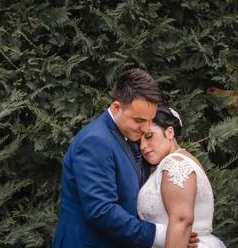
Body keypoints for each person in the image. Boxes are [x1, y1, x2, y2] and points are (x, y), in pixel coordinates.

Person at [52, 69, 200, 248]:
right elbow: (101, 211)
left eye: (150, 119)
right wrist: (160, 234)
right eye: (139, 120)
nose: (146, 128)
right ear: (116, 107)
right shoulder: (95, 141)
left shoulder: (128, 137)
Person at [137, 104, 226, 248]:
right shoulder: (178, 161)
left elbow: (182, 221)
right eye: (139, 141)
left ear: (170, 132)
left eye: (149, 136)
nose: (143, 146)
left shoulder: (175, 164)